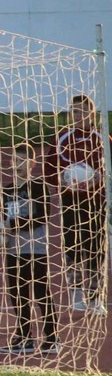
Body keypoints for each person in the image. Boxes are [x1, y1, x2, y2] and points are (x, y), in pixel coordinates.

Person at [0, 143, 59, 356]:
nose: (18, 165)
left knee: (40, 292)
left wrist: (14, 225)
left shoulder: (38, 186)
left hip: (35, 248)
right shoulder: (7, 190)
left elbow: (43, 216)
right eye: (15, 160)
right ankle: (24, 337)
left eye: (22, 161)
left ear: (32, 163)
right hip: (14, 249)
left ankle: (52, 338)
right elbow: (5, 220)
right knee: (17, 293)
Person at [48, 93, 108, 315]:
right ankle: (75, 294)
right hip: (70, 202)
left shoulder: (102, 138)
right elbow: (49, 170)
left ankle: (95, 298)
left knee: (96, 249)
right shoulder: (63, 138)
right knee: (72, 247)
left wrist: (99, 178)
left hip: (96, 202)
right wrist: (64, 182)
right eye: (74, 111)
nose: (77, 115)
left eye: (82, 111)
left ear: (91, 114)